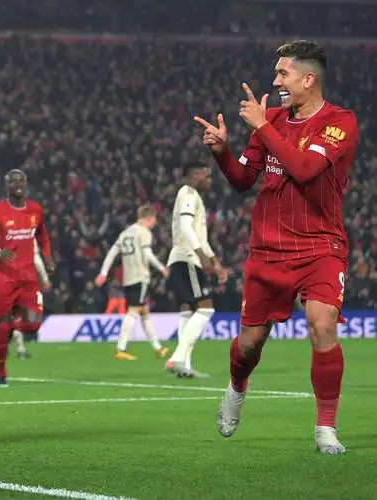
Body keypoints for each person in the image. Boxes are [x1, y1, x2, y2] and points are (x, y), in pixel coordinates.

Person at [195, 40, 358, 454]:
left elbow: (305, 169)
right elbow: (243, 179)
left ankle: (325, 428)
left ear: (309, 79)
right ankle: (237, 387)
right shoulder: (271, 120)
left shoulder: (339, 122)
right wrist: (222, 152)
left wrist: (261, 126)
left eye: (283, 73)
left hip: (321, 245)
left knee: (322, 323)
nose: (276, 81)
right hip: (269, 250)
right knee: (250, 343)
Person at [0, 169, 55, 387]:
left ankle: (12, 326)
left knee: (33, 324)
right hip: (3, 279)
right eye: (13, 181)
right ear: (6, 185)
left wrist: (47, 256)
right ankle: (0, 371)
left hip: (28, 277)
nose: (17, 184)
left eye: (21, 181)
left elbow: (42, 235)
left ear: (26, 184)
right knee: (2, 328)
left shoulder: (36, 210)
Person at [164, 165, 227, 378]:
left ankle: (183, 366)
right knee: (206, 309)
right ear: (194, 175)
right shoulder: (188, 193)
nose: (209, 180)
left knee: (188, 311)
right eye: (206, 175)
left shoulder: (193, 197)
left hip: (183, 258)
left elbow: (202, 238)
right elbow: (185, 226)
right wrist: (200, 256)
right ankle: (178, 358)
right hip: (188, 258)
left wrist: (215, 263)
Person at [94, 204, 170, 360]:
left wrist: (103, 273)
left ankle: (158, 348)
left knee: (144, 311)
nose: (155, 223)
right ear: (148, 218)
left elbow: (111, 253)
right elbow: (147, 253)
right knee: (134, 311)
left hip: (128, 278)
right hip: (140, 276)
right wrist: (162, 268)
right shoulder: (144, 232)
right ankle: (120, 348)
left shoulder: (125, 233)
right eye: (154, 219)